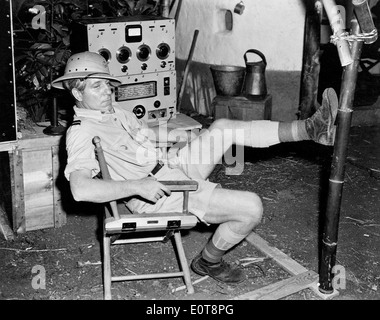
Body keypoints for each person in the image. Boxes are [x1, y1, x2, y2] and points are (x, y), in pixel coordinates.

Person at [52, 51, 338, 284]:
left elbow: (144, 135)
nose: (107, 92)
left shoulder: (114, 113)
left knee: (223, 128)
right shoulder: (81, 132)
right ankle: (208, 261)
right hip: (161, 193)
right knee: (252, 207)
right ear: (77, 94)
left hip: (170, 165)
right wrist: (138, 186)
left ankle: (310, 128)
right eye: (96, 86)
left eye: (107, 84)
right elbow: (79, 189)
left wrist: (177, 136)